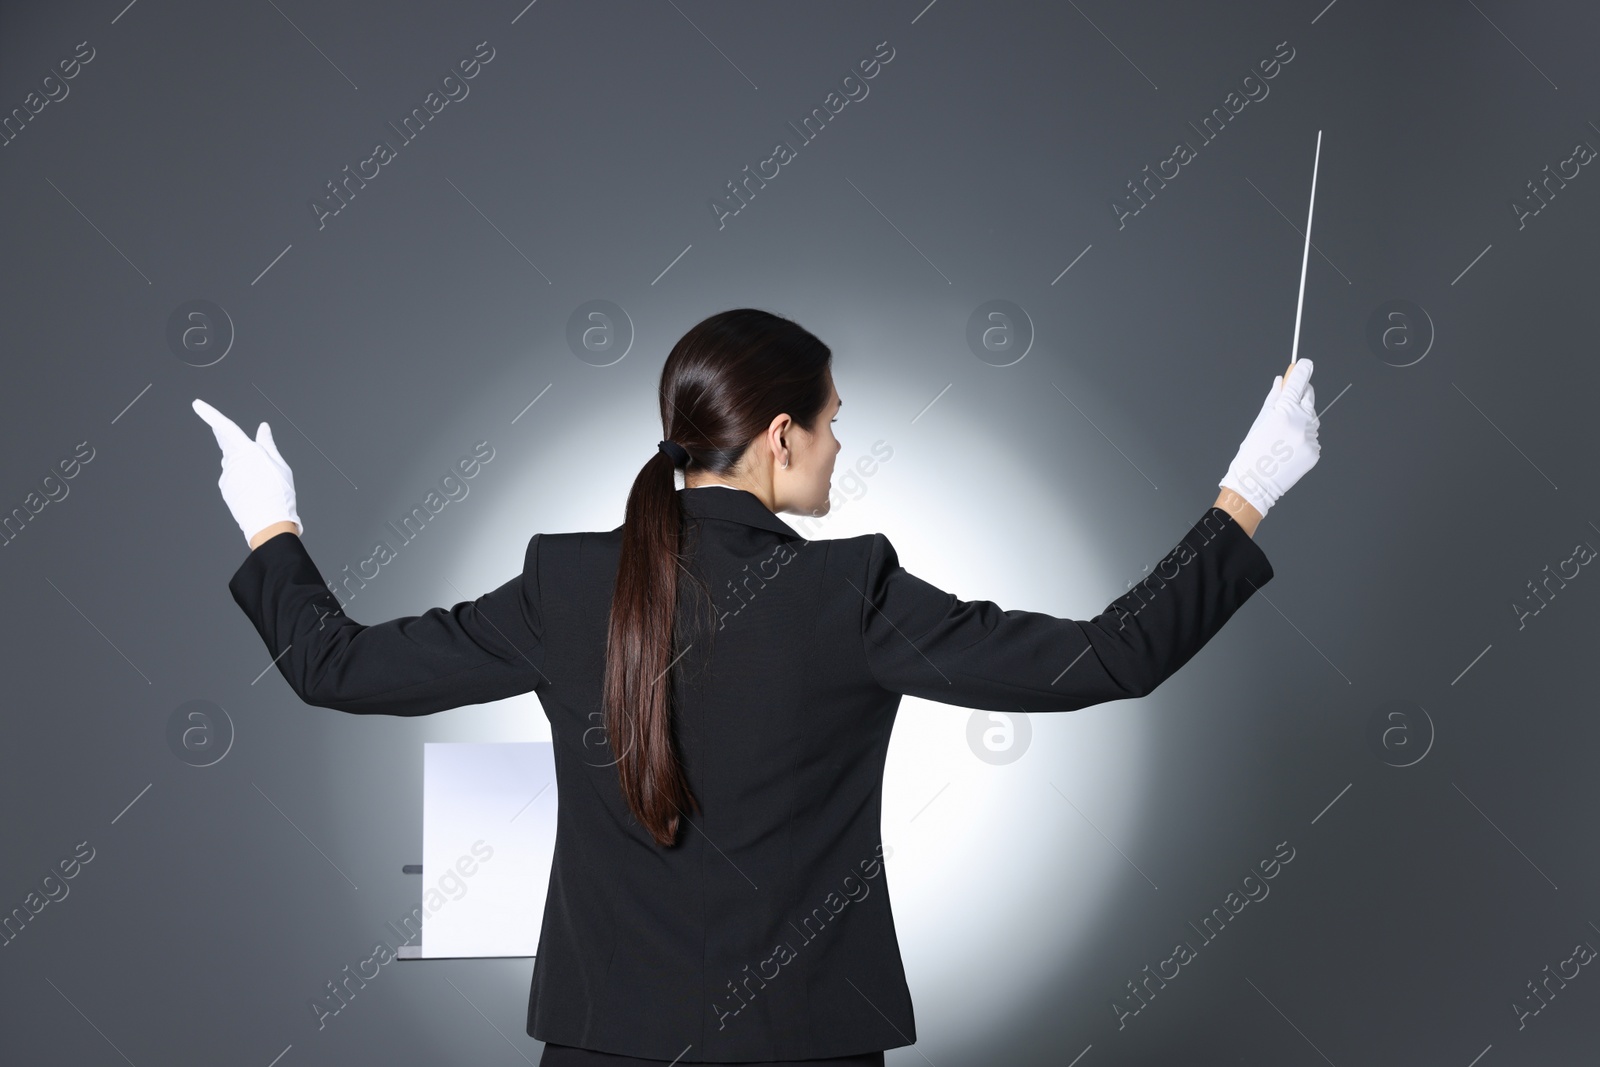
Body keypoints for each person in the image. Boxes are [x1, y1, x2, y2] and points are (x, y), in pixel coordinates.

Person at [194, 308, 1320, 1065]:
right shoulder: (850, 590)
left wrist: (268, 518)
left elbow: (332, 664)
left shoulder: (562, 584)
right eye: (833, 425)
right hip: (808, 1046)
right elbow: (1106, 656)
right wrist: (1245, 493)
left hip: (598, 1045)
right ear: (779, 436)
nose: (839, 448)